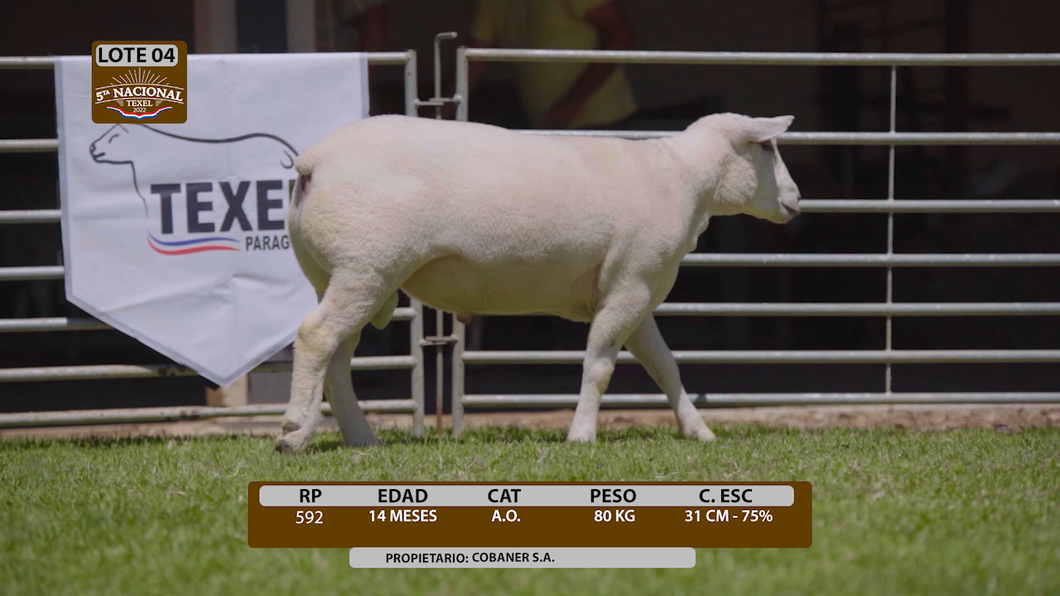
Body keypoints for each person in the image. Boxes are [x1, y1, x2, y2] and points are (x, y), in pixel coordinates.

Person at [457, 0, 639, 129]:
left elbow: (621, 35)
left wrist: (568, 108)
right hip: (546, 126)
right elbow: (471, 60)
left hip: (603, 122)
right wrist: (441, 117)